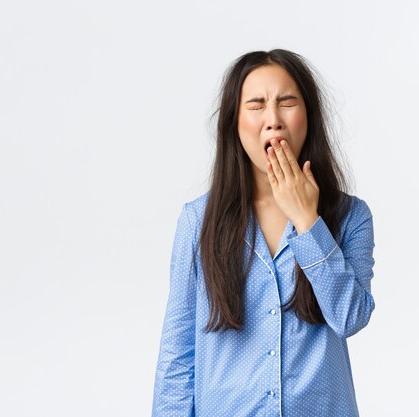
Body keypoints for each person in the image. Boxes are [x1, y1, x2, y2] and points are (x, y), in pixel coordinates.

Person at [152, 48, 376, 417]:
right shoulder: (198, 221)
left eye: (287, 102)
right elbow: (178, 359)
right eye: (256, 106)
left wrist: (308, 223)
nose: (273, 119)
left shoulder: (351, 216)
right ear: (234, 123)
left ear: (309, 117)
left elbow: (350, 318)